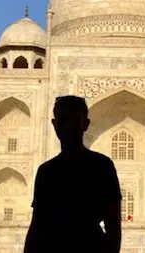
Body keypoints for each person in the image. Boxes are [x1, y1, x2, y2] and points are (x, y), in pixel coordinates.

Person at [24, 95, 122, 253]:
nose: (68, 127)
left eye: (75, 121)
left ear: (86, 124)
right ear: (55, 125)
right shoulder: (46, 171)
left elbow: (114, 227)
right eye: (63, 121)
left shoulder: (102, 166)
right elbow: (37, 225)